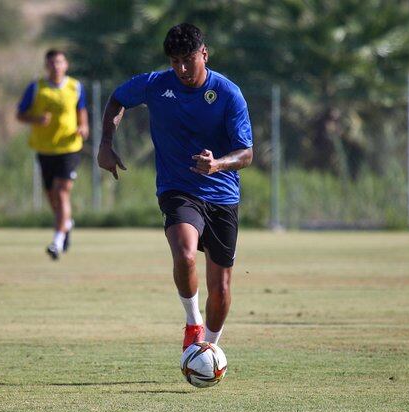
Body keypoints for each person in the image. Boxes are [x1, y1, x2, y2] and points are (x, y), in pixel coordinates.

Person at [98, 24, 253, 351]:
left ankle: (209, 349)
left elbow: (247, 153)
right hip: (178, 188)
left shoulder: (227, 93)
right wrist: (106, 143)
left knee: (221, 288)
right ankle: (193, 322)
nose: (181, 68)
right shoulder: (155, 85)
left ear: (204, 54)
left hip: (223, 195)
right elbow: (117, 99)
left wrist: (218, 164)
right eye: (174, 61)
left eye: (188, 60)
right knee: (184, 254)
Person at [17, 49, 89, 260]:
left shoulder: (75, 86)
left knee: (61, 192)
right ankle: (66, 223)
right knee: (52, 196)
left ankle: (57, 241)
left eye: (59, 62)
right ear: (46, 66)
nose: (55, 66)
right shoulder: (36, 88)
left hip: (69, 148)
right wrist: (36, 120)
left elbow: (81, 112)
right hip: (45, 149)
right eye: (51, 63)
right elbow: (20, 114)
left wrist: (83, 127)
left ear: (66, 64)